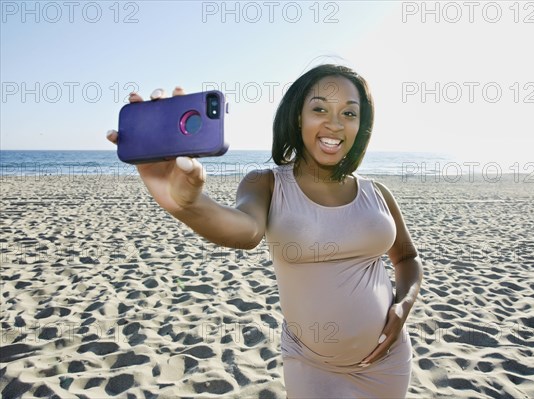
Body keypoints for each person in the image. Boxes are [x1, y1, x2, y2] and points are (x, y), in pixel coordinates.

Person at [106, 64, 423, 399]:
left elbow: (407, 258)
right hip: (313, 368)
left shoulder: (378, 193)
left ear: (361, 124)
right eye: (319, 109)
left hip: (388, 362)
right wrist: (188, 205)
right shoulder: (267, 183)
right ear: (297, 117)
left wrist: (403, 306)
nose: (334, 123)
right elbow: (246, 231)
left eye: (349, 112)